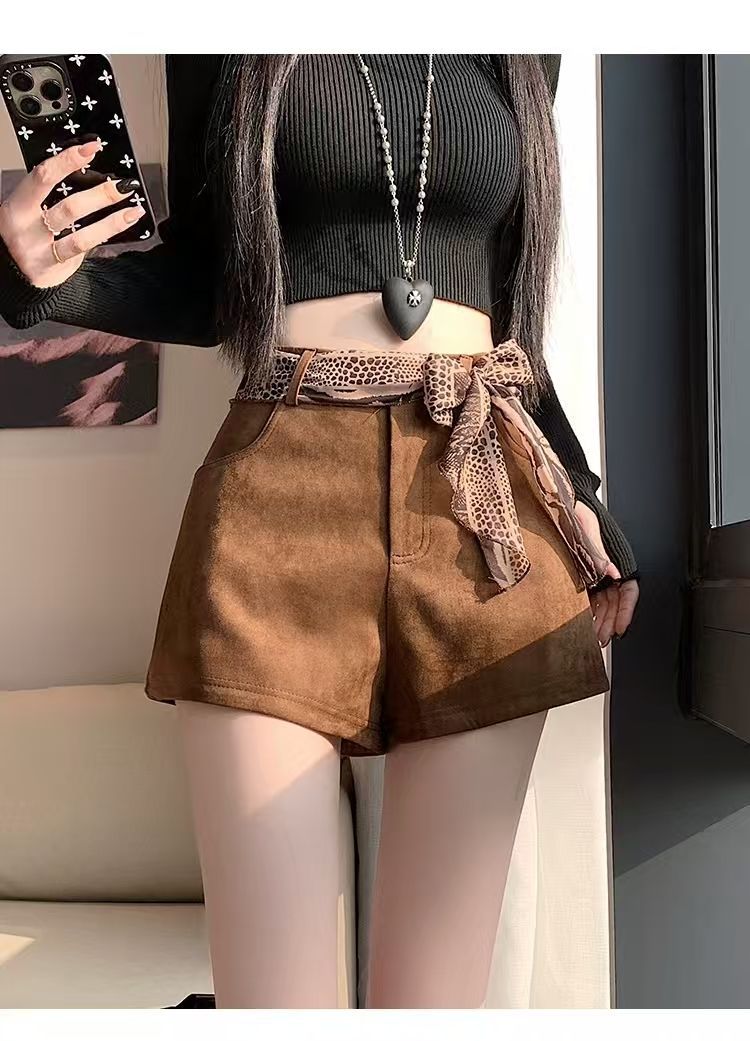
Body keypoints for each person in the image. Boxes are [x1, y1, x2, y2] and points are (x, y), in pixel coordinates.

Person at [0, 54, 640, 1008]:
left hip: (483, 497)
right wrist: (37, 280)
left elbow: (512, 311)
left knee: (438, 1004)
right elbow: (211, 285)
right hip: (279, 483)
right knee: (274, 1003)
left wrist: (577, 489)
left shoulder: (520, 44)